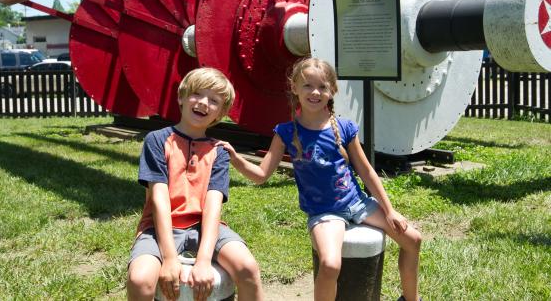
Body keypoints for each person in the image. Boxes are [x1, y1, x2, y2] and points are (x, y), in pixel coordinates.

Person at [220, 57, 422, 301]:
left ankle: (411, 299)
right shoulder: (286, 132)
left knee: (413, 239)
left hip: (358, 204)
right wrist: (235, 158)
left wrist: (389, 210)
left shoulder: (345, 128)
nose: (315, 92)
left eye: (323, 87)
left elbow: (367, 171)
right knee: (329, 264)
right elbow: (262, 175)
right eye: (307, 85)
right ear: (294, 88)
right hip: (325, 214)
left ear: (332, 91)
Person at [127, 67, 264, 301]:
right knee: (140, 281)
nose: (203, 103)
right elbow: (159, 201)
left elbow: (213, 207)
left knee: (248, 269)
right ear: (181, 97)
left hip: (204, 227)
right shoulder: (157, 141)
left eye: (214, 100)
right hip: (159, 228)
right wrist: (169, 258)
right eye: (197, 94)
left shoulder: (218, 151)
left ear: (220, 113)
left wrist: (203, 261)